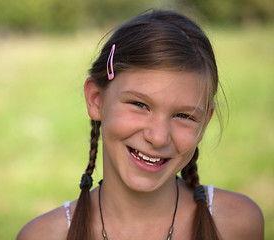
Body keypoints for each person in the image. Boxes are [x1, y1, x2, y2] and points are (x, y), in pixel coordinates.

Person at [17, 9, 264, 240]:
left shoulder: (237, 223)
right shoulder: (44, 235)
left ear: (204, 123)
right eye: (140, 105)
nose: (158, 137)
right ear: (96, 100)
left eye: (183, 116)